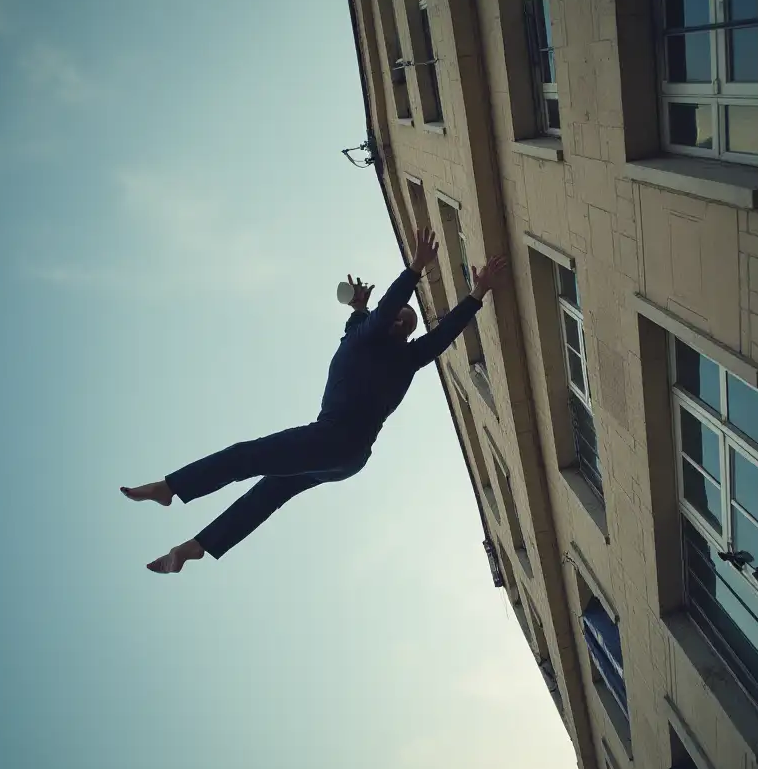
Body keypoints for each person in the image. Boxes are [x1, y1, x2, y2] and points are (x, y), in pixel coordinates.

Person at [121, 227, 508, 573]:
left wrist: (463, 287)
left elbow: (441, 336)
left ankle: (173, 493)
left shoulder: (404, 358)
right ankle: (194, 543)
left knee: (250, 460)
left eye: (408, 324)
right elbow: (376, 315)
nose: (402, 323)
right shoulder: (362, 336)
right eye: (400, 317)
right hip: (343, 454)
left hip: (339, 442)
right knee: (267, 490)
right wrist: (370, 300)